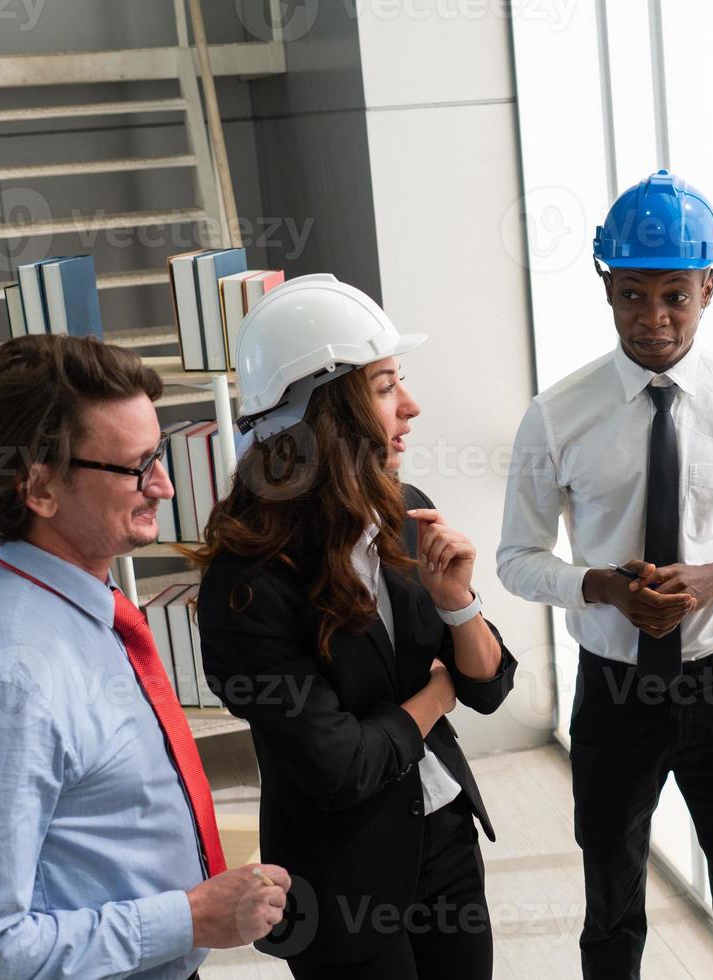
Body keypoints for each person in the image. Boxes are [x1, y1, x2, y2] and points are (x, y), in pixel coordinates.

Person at [0, 335, 290, 980]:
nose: (163, 486)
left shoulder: (89, 609)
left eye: (159, 455)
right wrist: (188, 919)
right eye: (137, 466)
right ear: (41, 489)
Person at [498, 170, 713, 979]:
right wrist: (597, 586)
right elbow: (516, 560)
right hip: (614, 689)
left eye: (676, 295)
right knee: (610, 900)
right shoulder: (557, 413)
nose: (654, 319)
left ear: (711, 284)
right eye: (631, 295)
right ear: (605, 286)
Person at [192, 275, 518, 980]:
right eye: (382, 386)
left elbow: (488, 687)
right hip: (342, 882)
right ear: (323, 415)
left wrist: (457, 603)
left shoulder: (408, 511)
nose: (411, 406)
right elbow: (341, 769)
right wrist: (435, 696)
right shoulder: (246, 585)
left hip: (445, 838)